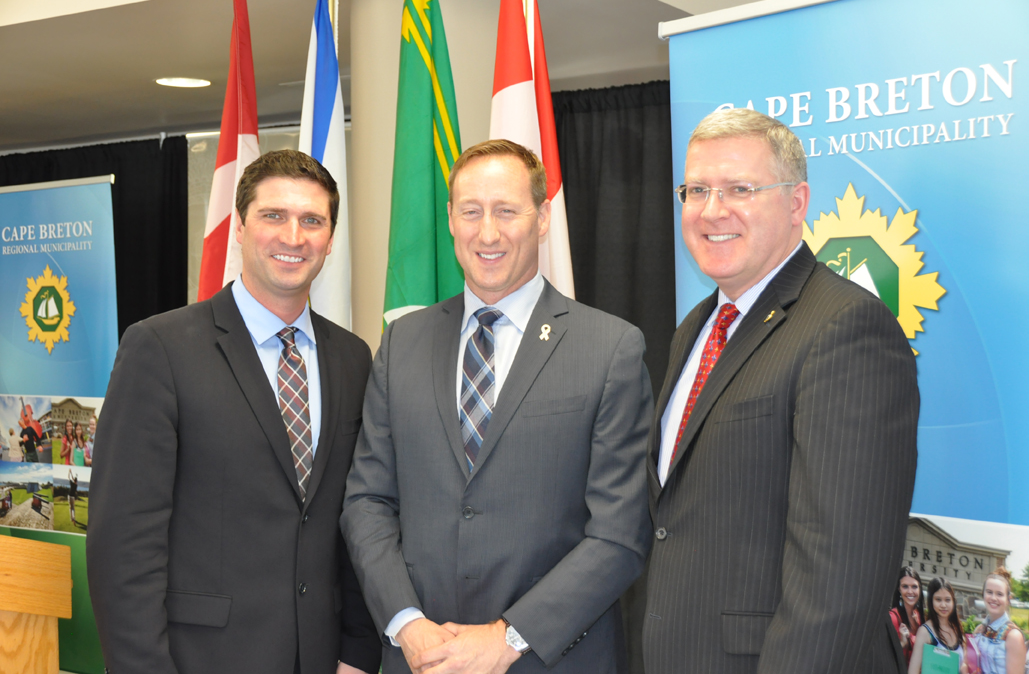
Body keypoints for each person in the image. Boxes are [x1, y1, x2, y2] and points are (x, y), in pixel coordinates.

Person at [341, 139, 653, 674]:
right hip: (422, 658)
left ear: (542, 217)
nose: (488, 233)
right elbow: (367, 501)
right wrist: (407, 623)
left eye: (506, 211)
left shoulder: (610, 349)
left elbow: (619, 534)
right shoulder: (401, 343)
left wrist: (507, 639)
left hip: (548, 660)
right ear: (450, 219)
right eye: (471, 212)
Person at [642, 108, 920, 674]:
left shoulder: (846, 327)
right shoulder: (695, 329)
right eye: (696, 190)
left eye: (739, 189)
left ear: (797, 204)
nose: (711, 210)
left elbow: (840, 578)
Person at [87, 150, 381, 674]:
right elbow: (123, 545)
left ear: (331, 239)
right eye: (274, 215)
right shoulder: (160, 348)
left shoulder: (353, 358)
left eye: (312, 220)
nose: (293, 236)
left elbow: (354, 514)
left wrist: (357, 651)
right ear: (240, 227)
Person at [973, 568, 1027, 674]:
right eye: (989, 592)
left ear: (1008, 599)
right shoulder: (979, 630)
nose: (993, 598)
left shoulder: (1013, 636)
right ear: (983, 594)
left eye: (999, 594)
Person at [909, 578, 967, 674]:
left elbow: (963, 664)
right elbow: (912, 671)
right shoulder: (925, 632)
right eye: (938, 599)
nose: (943, 605)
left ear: (953, 601)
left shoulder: (957, 630)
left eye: (947, 600)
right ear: (931, 601)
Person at [893, 567, 927, 664]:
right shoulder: (893, 618)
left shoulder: (920, 616)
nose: (910, 591)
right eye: (905, 586)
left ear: (920, 589)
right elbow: (886, 656)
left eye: (914, 587)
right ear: (899, 589)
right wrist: (902, 643)